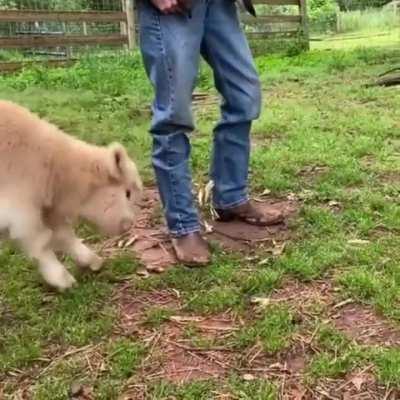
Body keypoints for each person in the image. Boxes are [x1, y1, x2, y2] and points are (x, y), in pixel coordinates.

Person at [137, 0, 283, 267]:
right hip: (172, 8)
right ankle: (183, 225)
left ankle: (231, 197)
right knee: (173, 114)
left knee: (245, 96)